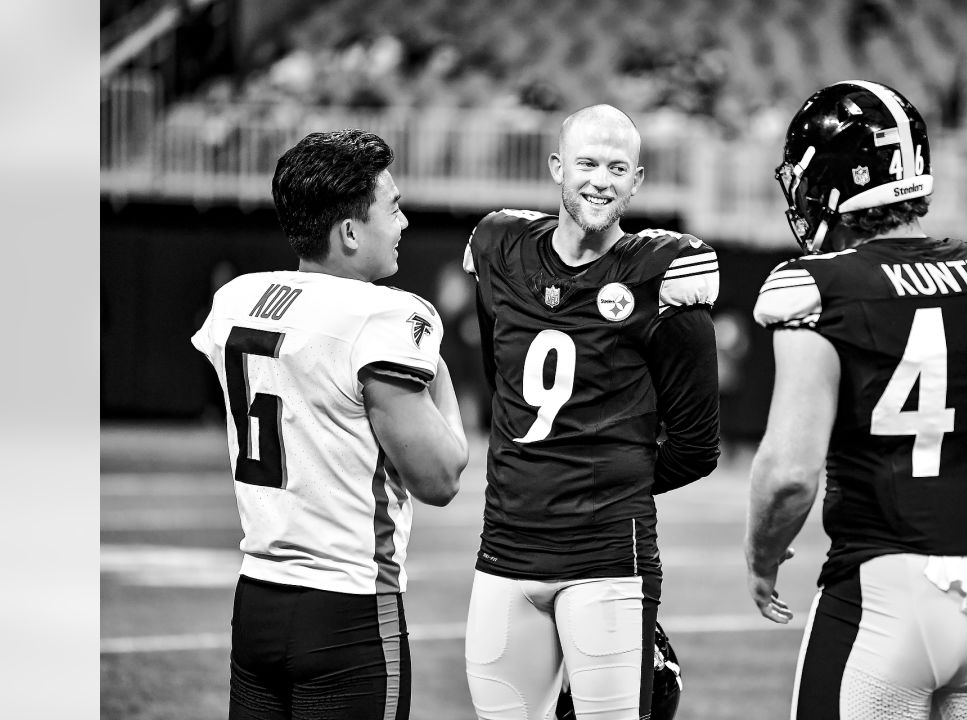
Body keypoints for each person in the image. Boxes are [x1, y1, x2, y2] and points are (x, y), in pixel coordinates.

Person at [744, 81, 967, 720]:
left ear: (825, 181)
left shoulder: (822, 286)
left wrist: (762, 555)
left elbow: (790, 476)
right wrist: (962, 468)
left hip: (886, 595)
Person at [191, 129, 469, 720]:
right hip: (349, 612)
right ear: (348, 232)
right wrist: (439, 373)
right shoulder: (383, 316)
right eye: (392, 208)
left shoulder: (237, 299)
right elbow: (441, 478)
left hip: (257, 601)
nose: (404, 223)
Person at [462, 104, 720, 720]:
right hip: (505, 549)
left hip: (607, 555)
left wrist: (605, 480)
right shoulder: (501, 247)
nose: (600, 179)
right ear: (557, 167)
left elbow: (696, 446)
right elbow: (499, 383)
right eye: (586, 163)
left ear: (637, 181)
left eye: (616, 167)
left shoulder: (661, 270)